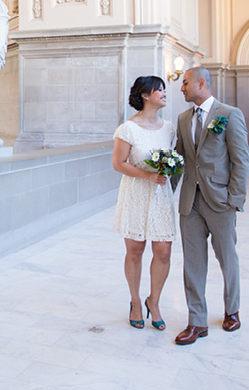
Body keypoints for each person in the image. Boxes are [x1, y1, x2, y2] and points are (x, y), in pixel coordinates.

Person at [172, 66, 249, 345]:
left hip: (220, 202)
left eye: (185, 83)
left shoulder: (229, 115)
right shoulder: (182, 119)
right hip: (189, 203)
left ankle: (232, 310)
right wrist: (166, 195)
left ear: (201, 83)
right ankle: (197, 321)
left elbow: (241, 160)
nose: (181, 88)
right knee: (192, 263)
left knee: (227, 259)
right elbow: (179, 160)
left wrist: (235, 200)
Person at [112, 76, 177, 331]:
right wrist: (148, 175)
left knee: (163, 251)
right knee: (135, 250)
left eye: (163, 89)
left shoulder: (169, 128)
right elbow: (119, 164)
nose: (163, 93)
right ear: (145, 95)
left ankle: (155, 301)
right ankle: (136, 301)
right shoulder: (128, 128)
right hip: (136, 193)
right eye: (158, 89)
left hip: (161, 196)